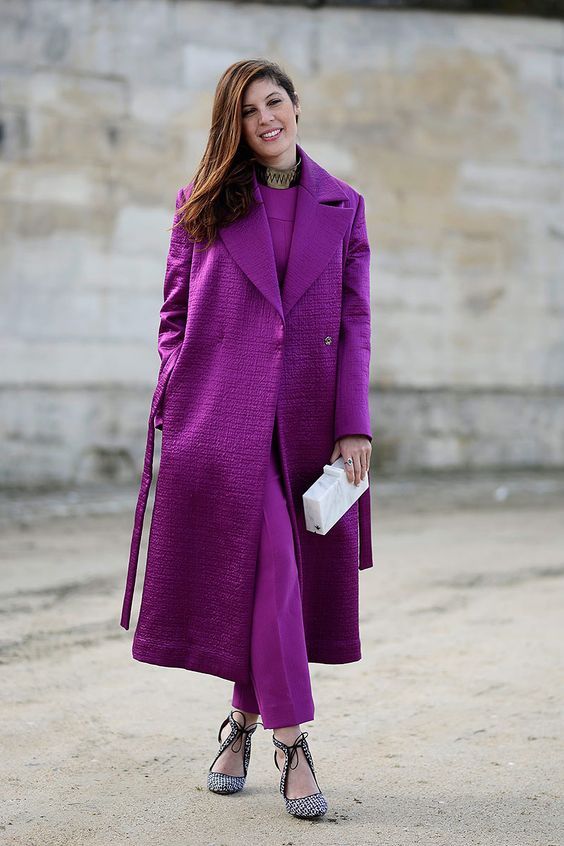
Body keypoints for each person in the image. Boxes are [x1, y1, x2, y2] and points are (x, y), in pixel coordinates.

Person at [120, 58, 373, 821]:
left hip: (306, 422)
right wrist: (176, 392)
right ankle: (294, 743)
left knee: (270, 574)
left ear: (296, 106)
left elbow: (355, 322)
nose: (265, 118)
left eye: (274, 102)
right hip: (219, 420)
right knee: (274, 564)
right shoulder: (200, 202)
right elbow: (173, 316)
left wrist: (353, 426)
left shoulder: (345, 206)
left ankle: (241, 723)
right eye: (248, 110)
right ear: (232, 126)